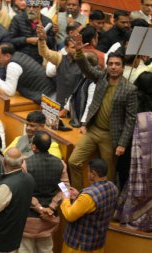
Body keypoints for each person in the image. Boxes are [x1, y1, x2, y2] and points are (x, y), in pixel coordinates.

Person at [68, 35, 137, 190]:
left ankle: (105, 202)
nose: (113, 67)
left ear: (122, 67)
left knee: (109, 175)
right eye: (110, 64)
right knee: (73, 161)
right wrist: (79, 52)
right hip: (93, 131)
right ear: (106, 66)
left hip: (111, 136)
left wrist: (122, 144)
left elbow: (130, 119)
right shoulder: (101, 77)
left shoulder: (130, 89)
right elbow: (86, 68)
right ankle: (78, 195)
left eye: (117, 64)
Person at [113, 71, 152, 232]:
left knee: (125, 180)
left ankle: (124, 214)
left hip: (126, 148)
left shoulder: (131, 99)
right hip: (147, 155)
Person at [19, 131, 69, 253]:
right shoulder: (61, 164)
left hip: (28, 218)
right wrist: (51, 208)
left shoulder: (25, 164)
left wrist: (39, 208)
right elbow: (65, 189)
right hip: (49, 219)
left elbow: (24, 193)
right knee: (46, 249)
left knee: (25, 249)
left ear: (34, 147)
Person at [60, 158, 118, 253]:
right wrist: (78, 196)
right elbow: (95, 208)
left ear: (93, 173)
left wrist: (65, 198)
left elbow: (69, 215)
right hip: (97, 244)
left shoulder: (88, 197)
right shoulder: (113, 187)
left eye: (88, 172)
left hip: (79, 247)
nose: (87, 174)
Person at [0, 147, 35, 252]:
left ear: (4, 161)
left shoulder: (6, 187)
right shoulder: (29, 179)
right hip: (15, 238)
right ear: (22, 161)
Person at [37, 24, 82, 107]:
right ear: (66, 48)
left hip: (77, 104)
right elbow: (44, 52)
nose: (76, 50)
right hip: (60, 100)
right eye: (73, 47)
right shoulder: (60, 58)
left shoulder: (85, 60)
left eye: (78, 47)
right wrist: (41, 39)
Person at [9, 1, 55, 65]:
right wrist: (27, 40)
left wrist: (45, 37)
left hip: (39, 61)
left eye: (34, 7)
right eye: (29, 6)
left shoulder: (47, 22)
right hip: (20, 60)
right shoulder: (17, 19)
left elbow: (52, 43)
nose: (31, 9)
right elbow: (10, 40)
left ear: (40, 7)